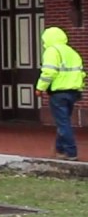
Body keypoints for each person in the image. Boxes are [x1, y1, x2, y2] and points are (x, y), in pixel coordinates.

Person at [35, 26, 83, 161]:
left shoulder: (52, 51)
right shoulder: (72, 52)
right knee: (64, 121)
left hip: (58, 92)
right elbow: (80, 73)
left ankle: (71, 152)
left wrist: (40, 88)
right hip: (72, 92)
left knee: (63, 123)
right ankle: (60, 149)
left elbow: (49, 72)